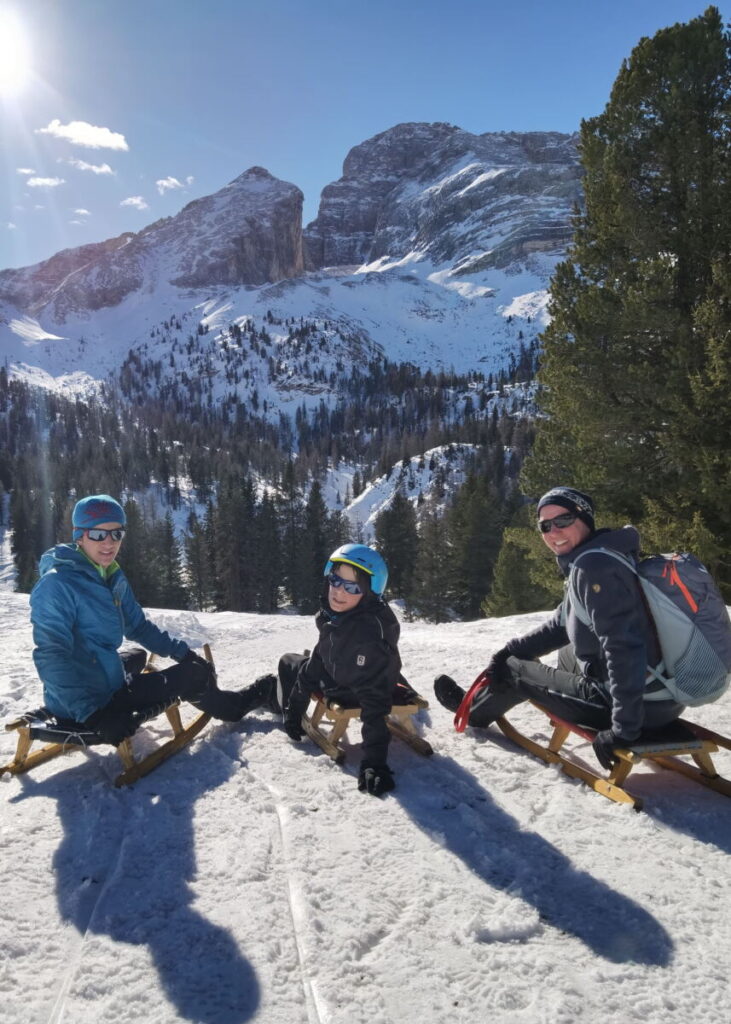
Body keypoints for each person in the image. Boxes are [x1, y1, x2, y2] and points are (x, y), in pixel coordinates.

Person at [434, 486, 685, 771]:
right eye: (545, 525)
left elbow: (623, 648)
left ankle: (474, 713)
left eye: (563, 520)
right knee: (562, 650)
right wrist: (507, 650)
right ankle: (555, 694)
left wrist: (623, 730)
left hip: (635, 712)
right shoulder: (606, 555)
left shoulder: (593, 569)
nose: (553, 532)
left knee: (517, 669)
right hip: (663, 697)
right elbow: (561, 625)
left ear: (585, 519)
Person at [30, 493, 250, 746]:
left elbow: (137, 625)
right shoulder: (57, 585)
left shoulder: (109, 574)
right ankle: (240, 704)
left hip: (102, 680)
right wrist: (93, 715)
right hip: (91, 704)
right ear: (79, 536)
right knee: (196, 674)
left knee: (136, 654)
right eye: (98, 534)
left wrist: (182, 653)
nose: (109, 542)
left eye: (116, 533)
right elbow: (51, 654)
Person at [237, 543, 415, 796]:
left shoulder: (367, 636)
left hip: (346, 690)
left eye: (352, 586)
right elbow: (319, 659)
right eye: (335, 579)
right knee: (301, 662)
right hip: (346, 674)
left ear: (369, 593)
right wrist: (296, 709)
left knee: (288, 661)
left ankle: (273, 699)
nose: (339, 591)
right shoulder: (340, 618)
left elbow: (374, 704)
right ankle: (282, 702)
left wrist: (375, 763)